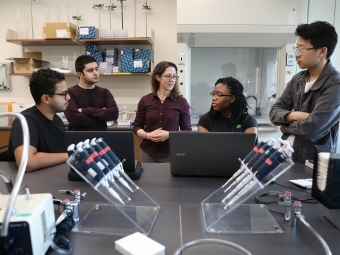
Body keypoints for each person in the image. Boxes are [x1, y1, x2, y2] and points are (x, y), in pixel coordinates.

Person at [269, 21, 340, 163]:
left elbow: (311, 130)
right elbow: (274, 112)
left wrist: (284, 125)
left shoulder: (335, 84)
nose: (296, 54)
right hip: (284, 156)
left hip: (311, 164)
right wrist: (295, 115)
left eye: (301, 49)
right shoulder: (298, 79)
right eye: (297, 48)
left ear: (322, 51)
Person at [8, 69, 70, 172]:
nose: (68, 97)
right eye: (63, 94)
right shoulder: (26, 121)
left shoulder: (56, 119)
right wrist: (70, 155)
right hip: (34, 184)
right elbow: (26, 162)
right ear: (46, 98)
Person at [133, 61, 192, 163]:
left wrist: (169, 134)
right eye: (168, 76)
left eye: (174, 76)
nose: (172, 80)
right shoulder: (145, 100)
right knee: (149, 179)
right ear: (158, 77)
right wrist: (148, 135)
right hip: (147, 153)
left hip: (170, 154)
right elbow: (137, 127)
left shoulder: (181, 102)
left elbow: (187, 131)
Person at [64, 55, 119, 131]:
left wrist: (85, 111)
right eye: (90, 70)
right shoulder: (70, 93)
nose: (96, 73)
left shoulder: (104, 92)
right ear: (80, 74)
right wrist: (101, 116)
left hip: (100, 140)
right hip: (78, 140)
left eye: (96, 69)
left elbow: (114, 114)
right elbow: (74, 118)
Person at [198, 76, 258, 142]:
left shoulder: (248, 121)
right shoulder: (205, 120)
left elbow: (249, 149)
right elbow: (204, 148)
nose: (213, 98)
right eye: (213, 94)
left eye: (219, 95)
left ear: (232, 98)